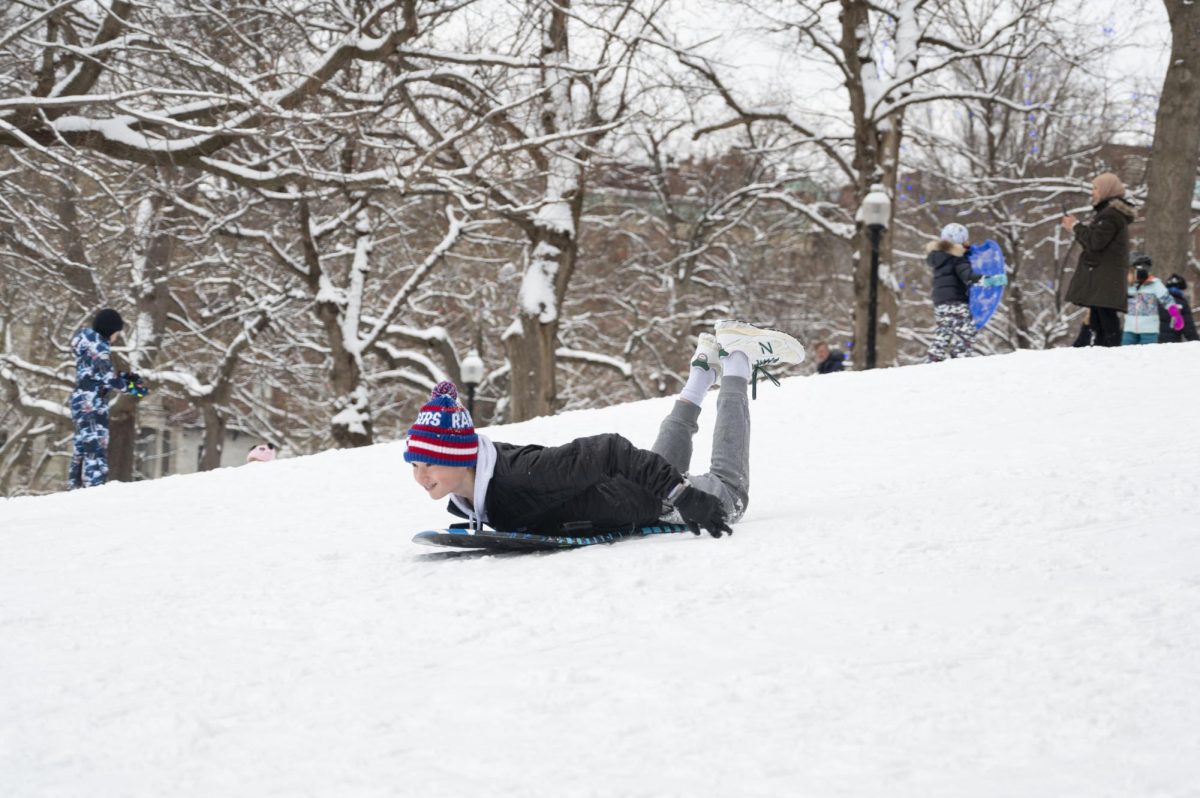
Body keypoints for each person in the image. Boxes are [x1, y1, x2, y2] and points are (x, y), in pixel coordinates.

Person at [404, 320, 805, 538]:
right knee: (659, 467)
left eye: (429, 464)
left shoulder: (521, 475)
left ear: (457, 457)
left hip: (647, 500)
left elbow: (609, 450)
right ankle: (702, 369)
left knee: (730, 493)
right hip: (629, 489)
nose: (420, 477)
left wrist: (682, 496)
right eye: (415, 466)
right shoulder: (483, 485)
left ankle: (737, 358)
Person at [68, 308, 148, 489]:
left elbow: (96, 373)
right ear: (109, 329)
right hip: (93, 404)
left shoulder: (88, 344)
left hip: (81, 400)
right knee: (96, 447)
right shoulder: (100, 347)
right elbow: (108, 378)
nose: (117, 337)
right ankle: (94, 490)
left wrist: (125, 377)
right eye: (117, 332)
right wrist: (134, 388)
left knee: (83, 445)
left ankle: (75, 486)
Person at [1063, 173, 1136, 347]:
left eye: (1095, 188)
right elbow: (1095, 241)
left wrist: (1075, 226)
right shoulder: (1109, 213)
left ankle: (1110, 352)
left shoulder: (1111, 215)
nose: (1092, 192)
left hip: (1105, 276)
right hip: (1104, 275)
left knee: (1105, 316)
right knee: (1098, 315)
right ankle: (1101, 353)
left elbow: (1095, 243)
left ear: (1106, 190)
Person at [924, 222, 1004, 362]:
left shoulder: (940, 258)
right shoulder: (958, 259)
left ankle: (935, 356)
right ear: (959, 241)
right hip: (956, 300)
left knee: (945, 329)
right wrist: (990, 280)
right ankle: (960, 358)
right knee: (966, 331)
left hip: (940, 301)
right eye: (966, 239)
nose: (969, 242)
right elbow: (968, 277)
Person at [1122, 254, 1184, 345]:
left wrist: (1176, 315)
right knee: (1126, 355)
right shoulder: (1128, 286)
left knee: (1147, 356)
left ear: (1140, 271)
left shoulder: (1155, 284)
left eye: (1130, 272)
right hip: (1129, 329)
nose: (1127, 275)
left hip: (1149, 330)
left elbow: (1167, 300)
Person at [1158, 273, 1198, 343]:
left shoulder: (1159, 301)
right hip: (1173, 343)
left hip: (1155, 340)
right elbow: (1189, 327)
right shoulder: (1182, 303)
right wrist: (1196, 342)